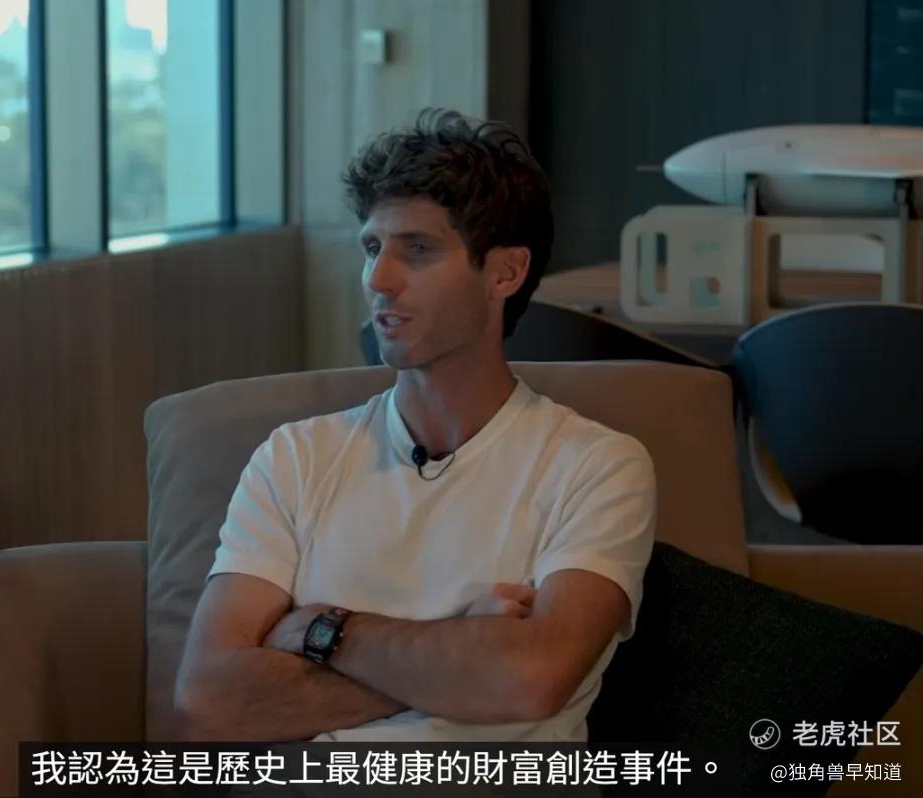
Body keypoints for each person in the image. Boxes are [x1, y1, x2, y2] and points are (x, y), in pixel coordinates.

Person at [173, 108, 656, 747]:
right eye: (372, 248)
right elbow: (207, 704)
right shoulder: (294, 457)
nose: (379, 279)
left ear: (506, 273)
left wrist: (322, 632)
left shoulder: (597, 465)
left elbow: (529, 680)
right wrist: (465, 648)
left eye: (418, 250)